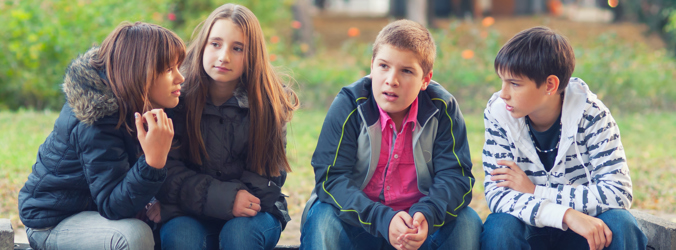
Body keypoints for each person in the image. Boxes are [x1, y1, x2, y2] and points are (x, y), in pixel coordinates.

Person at [300, 19, 482, 250]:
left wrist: (427, 214)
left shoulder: (442, 108)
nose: (391, 80)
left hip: (418, 228)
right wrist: (382, 219)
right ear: (372, 66)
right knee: (322, 217)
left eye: (406, 71)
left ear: (425, 79)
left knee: (467, 223)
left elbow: (456, 177)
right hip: (359, 223)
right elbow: (331, 178)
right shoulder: (350, 104)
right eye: (384, 66)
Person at [18, 21, 185, 250]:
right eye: (168, 69)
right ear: (140, 73)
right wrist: (153, 163)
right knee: (133, 236)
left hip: (96, 212)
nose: (180, 78)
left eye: (178, 67)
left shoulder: (145, 104)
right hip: (54, 222)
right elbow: (112, 205)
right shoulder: (97, 118)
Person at [480, 26, 648, 250]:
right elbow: (498, 196)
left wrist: (536, 191)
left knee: (621, 223)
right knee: (500, 227)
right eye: (502, 81)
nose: (503, 93)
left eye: (515, 83)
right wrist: (565, 214)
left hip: (583, 231)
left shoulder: (592, 115)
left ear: (550, 85)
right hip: (530, 227)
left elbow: (618, 193)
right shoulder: (499, 114)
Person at [152, 3, 299, 250]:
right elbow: (168, 172)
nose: (224, 57)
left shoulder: (269, 103)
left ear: (253, 55)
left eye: (237, 48)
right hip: (189, 212)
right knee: (181, 237)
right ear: (203, 45)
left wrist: (232, 201)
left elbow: (268, 180)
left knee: (238, 237)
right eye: (216, 44)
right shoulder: (178, 99)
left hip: (254, 212)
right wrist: (223, 200)